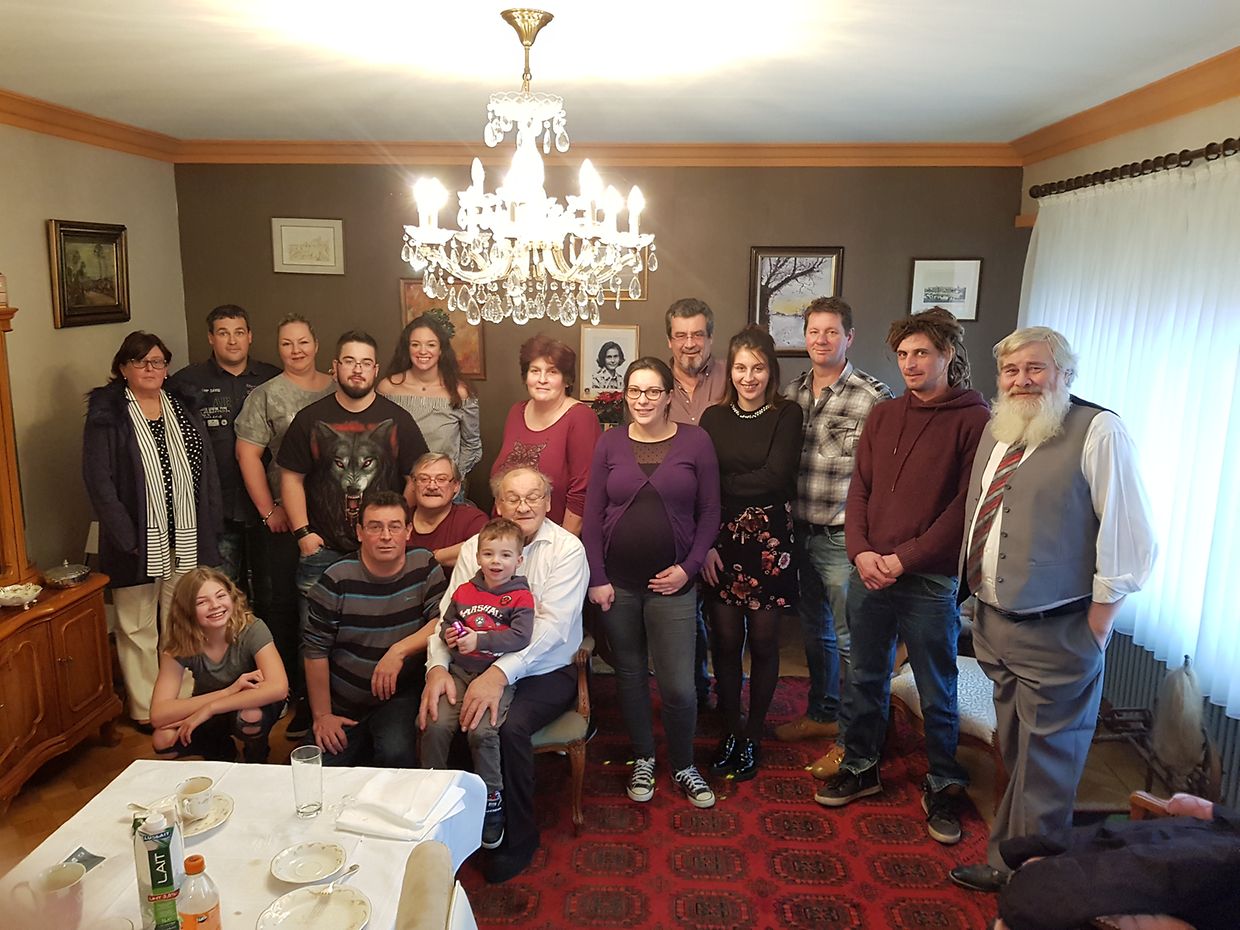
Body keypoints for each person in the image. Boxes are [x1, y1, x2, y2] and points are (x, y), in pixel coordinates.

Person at [950, 326, 1157, 893]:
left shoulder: (1099, 431)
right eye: (1011, 370)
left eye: (1035, 368)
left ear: (1065, 373)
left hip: (1059, 629)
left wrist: (1096, 629)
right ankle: (1008, 862)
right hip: (995, 625)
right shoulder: (999, 429)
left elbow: (1129, 540)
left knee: (1047, 772)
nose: (1022, 380)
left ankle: (1033, 888)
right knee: (1019, 754)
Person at [815, 308, 989, 849]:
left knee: (937, 688)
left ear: (947, 355)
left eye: (922, 353)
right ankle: (861, 765)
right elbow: (860, 490)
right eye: (904, 354)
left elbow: (964, 508)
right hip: (870, 571)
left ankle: (943, 783)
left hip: (929, 580)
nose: (911, 363)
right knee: (865, 676)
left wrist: (904, 559)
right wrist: (860, 551)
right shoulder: (884, 414)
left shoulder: (975, 419)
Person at [420, 466, 588, 884]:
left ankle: (518, 837)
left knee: (506, 727)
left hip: (547, 671)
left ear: (548, 503)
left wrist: (498, 673)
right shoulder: (476, 547)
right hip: (474, 663)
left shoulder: (567, 549)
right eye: (513, 498)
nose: (523, 506)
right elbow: (450, 613)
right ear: (497, 504)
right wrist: (437, 668)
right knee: (437, 716)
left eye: (533, 497)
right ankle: (449, 822)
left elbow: (552, 629)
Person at [584, 357, 721, 808]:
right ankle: (643, 757)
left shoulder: (696, 441)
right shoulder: (610, 442)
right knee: (629, 675)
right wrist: (597, 577)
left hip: (674, 586)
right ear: (625, 395)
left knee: (679, 684)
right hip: (618, 586)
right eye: (635, 391)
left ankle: (683, 763)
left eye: (652, 391)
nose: (642, 400)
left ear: (668, 397)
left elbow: (710, 512)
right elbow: (592, 515)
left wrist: (690, 567)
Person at [83, 330, 223, 729]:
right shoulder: (108, 414)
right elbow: (99, 481)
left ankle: (180, 697)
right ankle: (147, 707)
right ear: (123, 368)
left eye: (158, 362)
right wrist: (126, 536)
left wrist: (210, 519)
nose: (150, 369)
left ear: (166, 367)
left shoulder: (182, 404)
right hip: (135, 540)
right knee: (136, 625)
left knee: (182, 619)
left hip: (187, 531)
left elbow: (205, 466)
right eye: (140, 362)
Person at [779, 297, 893, 781]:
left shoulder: (873, 397)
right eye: (814, 331)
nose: (821, 340)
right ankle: (822, 713)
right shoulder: (791, 393)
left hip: (843, 537)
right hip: (799, 530)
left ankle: (854, 740)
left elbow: (885, 476)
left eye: (831, 332)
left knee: (853, 642)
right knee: (816, 631)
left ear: (849, 337)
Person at [700, 326, 803, 781]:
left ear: (770, 371)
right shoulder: (713, 418)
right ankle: (730, 728)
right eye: (740, 367)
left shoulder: (787, 413)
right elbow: (702, 486)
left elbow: (777, 478)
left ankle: (754, 733)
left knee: (763, 642)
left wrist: (724, 487)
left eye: (757, 368)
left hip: (770, 545)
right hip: (720, 542)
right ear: (731, 371)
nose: (748, 377)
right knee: (724, 642)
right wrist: (705, 543)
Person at [277, 330, 428, 624]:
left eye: (365, 363)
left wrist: (395, 528)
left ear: (375, 369)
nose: (357, 369)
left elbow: (415, 477)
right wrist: (303, 534)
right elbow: (291, 477)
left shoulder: (399, 420)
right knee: (315, 638)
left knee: (378, 632)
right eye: (349, 361)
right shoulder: (309, 419)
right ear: (335, 367)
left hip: (382, 547)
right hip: (323, 550)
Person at [234, 313, 333, 737]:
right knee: (286, 608)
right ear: (278, 349)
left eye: (303, 342)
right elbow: (247, 454)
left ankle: (328, 697)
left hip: (334, 521)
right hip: (286, 522)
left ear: (316, 344)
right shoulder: (266, 395)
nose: (296, 350)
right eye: (287, 343)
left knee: (331, 609)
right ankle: (291, 694)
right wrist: (268, 510)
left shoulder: (337, 386)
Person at [303, 491, 446, 766]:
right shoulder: (336, 578)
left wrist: (399, 651)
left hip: (399, 696)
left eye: (395, 526)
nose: (386, 536)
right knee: (312, 768)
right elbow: (315, 650)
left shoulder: (424, 564)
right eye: (375, 527)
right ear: (360, 532)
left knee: (396, 754)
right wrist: (322, 716)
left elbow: (440, 621)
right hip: (343, 701)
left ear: (408, 531)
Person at [421, 518, 535, 849]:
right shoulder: (464, 591)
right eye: (489, 554)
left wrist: (480, 640)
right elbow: (447, 624)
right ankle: (431, 789)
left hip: (493, 676)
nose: (496, 562)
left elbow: (521, 636)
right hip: (459, 672)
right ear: (478, 557)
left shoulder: (521, 596)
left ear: (518, 560)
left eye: (505, 555)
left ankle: (491, 799)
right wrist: (452, 635)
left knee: (482, 732)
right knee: (434, 723)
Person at [994, 793, 1234, 930]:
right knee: (1107, 837)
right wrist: (1215, 811)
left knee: (1140, 867)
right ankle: (1020, 868)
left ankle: (1028, 894)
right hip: (1221, 834)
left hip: (1222, 873)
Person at [167, 304, 280, 588]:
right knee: (221, 588)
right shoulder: (186, 382)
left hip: (269, 502)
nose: (232, 341)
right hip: (215, 506)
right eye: (223, 333)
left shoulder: (272, 378)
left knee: (271, 586)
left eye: (239, 332)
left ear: (250, 336)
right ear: (210, 338)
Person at [150, 567, 289, 763]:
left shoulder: (252, 628)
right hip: (214, 707)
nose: (215, 605)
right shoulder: (179, 643)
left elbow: (279, 688)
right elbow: (158, 714)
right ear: (186, 610)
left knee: (250, 716)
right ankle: (221, 753)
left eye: (221, 596)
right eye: (201, 602)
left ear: (231, 597)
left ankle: (256, 755)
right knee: (163, 739)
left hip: (250, 704)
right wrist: (228, 692)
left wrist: (211, 708)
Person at [665, 298, 729, 709]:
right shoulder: (654, 384)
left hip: (728, 514)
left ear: (710, 337)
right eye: (681, 335)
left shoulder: (731, 377)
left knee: (725, 620)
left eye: (698, 334)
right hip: (673, 519)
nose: (690, 343)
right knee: (684, 618)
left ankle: (727, 698)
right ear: (669, 340)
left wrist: (711, 542)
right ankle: (695, 693)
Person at [491, 334, 601, 536]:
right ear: (525, 377)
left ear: (566, 380)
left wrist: (562, 547)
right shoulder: (516, 412)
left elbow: (582, 493)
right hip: (506, 540)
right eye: (535, 371)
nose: (542, 379)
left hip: (553, 540)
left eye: (552, 372)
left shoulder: (581, 417)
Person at [378, 314, 482, 488]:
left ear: (441, 350)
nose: (423, 351)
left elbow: (472, 445)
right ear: (407, 348)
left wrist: (452, 479)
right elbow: (378, 442)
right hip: (397, 487)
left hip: (446, 489)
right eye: (415, 344)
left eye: (431, 345)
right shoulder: (387, 388)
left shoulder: (460, 392)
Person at [408, 452, 487, 569]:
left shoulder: (472, 519)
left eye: (441, 479)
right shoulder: (399, 518)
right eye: (423, 479)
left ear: (456, 486)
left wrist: (435, 557)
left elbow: (486, 548)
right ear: (413, 484)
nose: (432, 486)